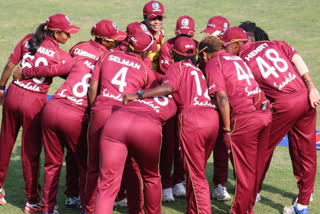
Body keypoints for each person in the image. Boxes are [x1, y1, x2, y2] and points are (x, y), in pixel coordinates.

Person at [225, 26, 320, 214]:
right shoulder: (272, 43)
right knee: (307, 150)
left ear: (236, 45)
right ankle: (302, 204)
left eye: (226, 46)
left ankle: (249, 200)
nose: (224, 51)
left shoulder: (240, 61)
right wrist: (311, 86)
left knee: (259, 151)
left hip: (285, 104)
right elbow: (296, 58)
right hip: (305, 94)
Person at [123, 37, 219, 214]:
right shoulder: (198, 70)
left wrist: (139, 95)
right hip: (212, 117)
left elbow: (168, 88)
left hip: (193, 119)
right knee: (197, 171)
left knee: (195, 175)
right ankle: (193, 209)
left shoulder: (177, 66)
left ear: (174, 54)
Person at [0, 13, 79, 213]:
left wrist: (1, 88)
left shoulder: (28, 39)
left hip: (13, 94)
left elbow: (10, 65)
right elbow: (72, 73)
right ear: (55, 32)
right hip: (34, 103)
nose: (69, 37)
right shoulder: (61, 56)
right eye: (67, 34)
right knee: (31, 153)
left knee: (5, 143)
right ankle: (32, 200)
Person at [199, 32, 272, 213]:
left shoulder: (214, 63)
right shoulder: (236, 58)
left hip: (245, 118)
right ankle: (247, 208)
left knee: (244, 172)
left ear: (204, 53)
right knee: (254, 168)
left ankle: (240, 210)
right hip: (264, 113)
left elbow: (222, 97)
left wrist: (227, 129)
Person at [86, 31, 157, 214]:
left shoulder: (108, 56)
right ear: (144, 52)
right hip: (123, 118)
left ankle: (87, 209)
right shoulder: (145, 69)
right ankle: (136, 210)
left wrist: (94, 109)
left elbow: (93, 87)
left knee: (94, 168)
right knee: (131, 167)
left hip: (100, 113)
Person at [94, 94, 177, 214]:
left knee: (106, 185)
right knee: (151, 177)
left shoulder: (147, 91)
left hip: (116, 121)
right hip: (146, 125)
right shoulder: (178, 95)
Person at [158, 15, 197, 202]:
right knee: (168, 145)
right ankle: (166, 185)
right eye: (181, 34)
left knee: (184, 145)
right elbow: (168, 76)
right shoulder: (167, 46)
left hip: (189, 103)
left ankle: (178, 181)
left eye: (188, 34)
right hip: (171, 102)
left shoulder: (196, 45)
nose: (184, 38)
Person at [201, 15, 232, 202]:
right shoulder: (206, 49)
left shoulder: (230, 55)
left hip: (226, 106)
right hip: (207, 106)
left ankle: (220, 185)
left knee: (223, 147)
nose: (206, 36)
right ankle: (194, 181)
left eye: (211, 33)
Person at [142, 0, 165, 72]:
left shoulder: (161, 31)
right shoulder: (141, 36)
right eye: (153, 18)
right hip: (146, 73)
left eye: (160, 18)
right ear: (145, 18)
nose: (157, 22)